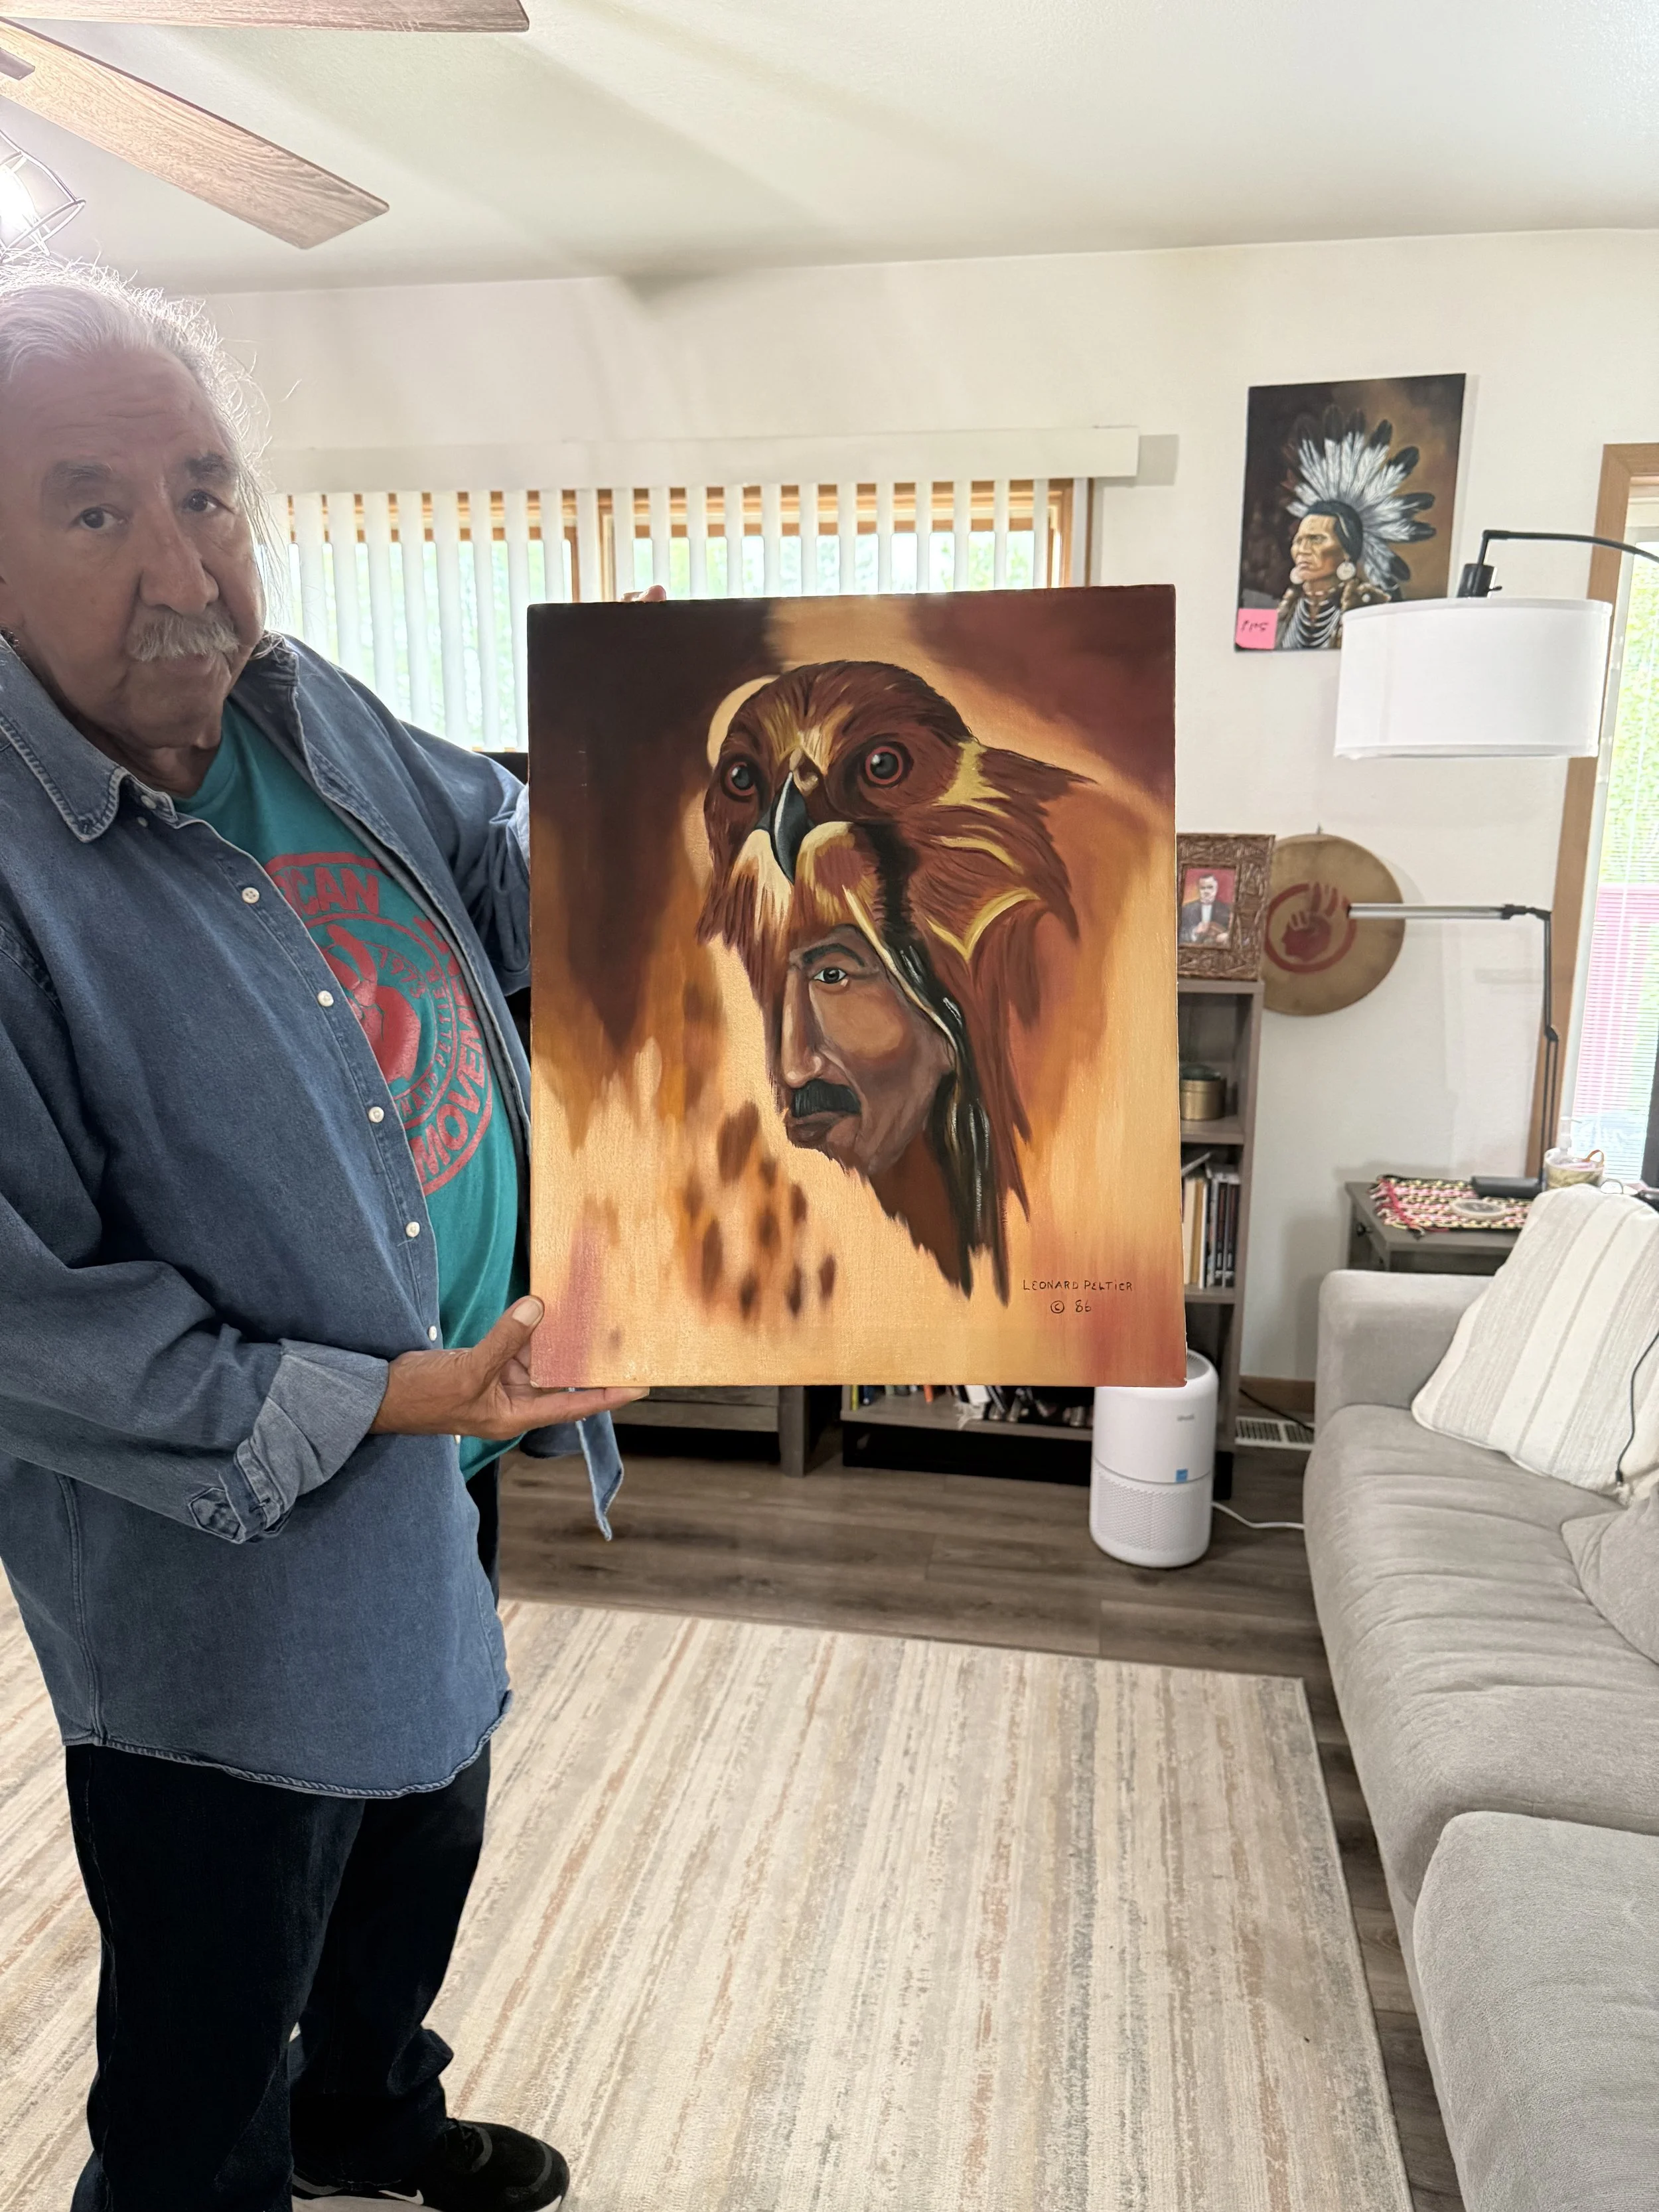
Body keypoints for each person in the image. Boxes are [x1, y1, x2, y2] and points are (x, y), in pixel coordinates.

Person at [0, 263, 642, 2211]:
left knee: (424, 1807)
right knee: (209, 1998)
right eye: (92, 504)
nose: (180, 556)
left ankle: (365, 2106)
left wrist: (683, 832)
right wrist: (419, 1383)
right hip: (230, 1554)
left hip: (456, 1432)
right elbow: (44, 1335)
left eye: (205, 487)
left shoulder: (310, 710)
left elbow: (501, 857)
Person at [1177, 869, 1232, 946]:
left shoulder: (1228, 910)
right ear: (1198, 889)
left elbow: (1238, 934)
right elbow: (1177, 936)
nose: (1207, 891)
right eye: (1203, 888)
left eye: (1210, 887)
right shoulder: (1187, 909)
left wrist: (1228, 936)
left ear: (1216, 889)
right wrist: (1194, 931)